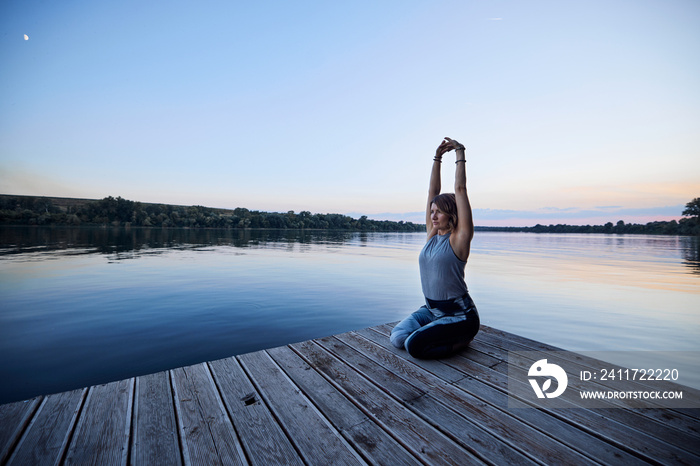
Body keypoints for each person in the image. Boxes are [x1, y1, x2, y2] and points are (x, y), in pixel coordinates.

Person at [390, 137, 480, 358]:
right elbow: (432, 191)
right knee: (398, 337)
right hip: (431, 310)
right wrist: (437, 157)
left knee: (414, 346)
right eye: (432, 212)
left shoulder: (459, 239)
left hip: (460, 315)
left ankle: (463, 340)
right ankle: (440, 333)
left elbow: (460, 189)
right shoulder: (432, 234)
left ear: (452, 213)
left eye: (439, 211)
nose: (433, 215)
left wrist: (460, 153)